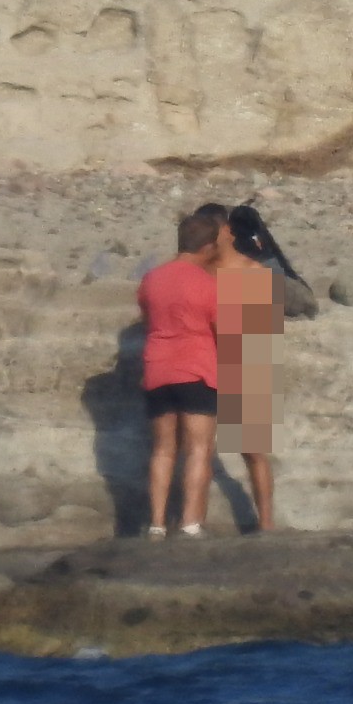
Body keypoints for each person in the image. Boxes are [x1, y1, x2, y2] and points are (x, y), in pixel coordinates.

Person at [136, 211, 221, 538]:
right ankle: (190, 523)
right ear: (209, 247)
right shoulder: (207, 283)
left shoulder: (152, 279)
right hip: (196, 368)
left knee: (162, 448)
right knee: (199, 449)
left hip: (157, 367)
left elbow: (147, 320)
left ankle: (156, 524)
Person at [213, 205, 285, 531]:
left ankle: (266, 523)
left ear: (227, 232)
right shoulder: (202, 271)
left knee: (252, 449)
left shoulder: (252, 272)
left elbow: (259, 333)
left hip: (246, 355)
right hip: (208, 357)